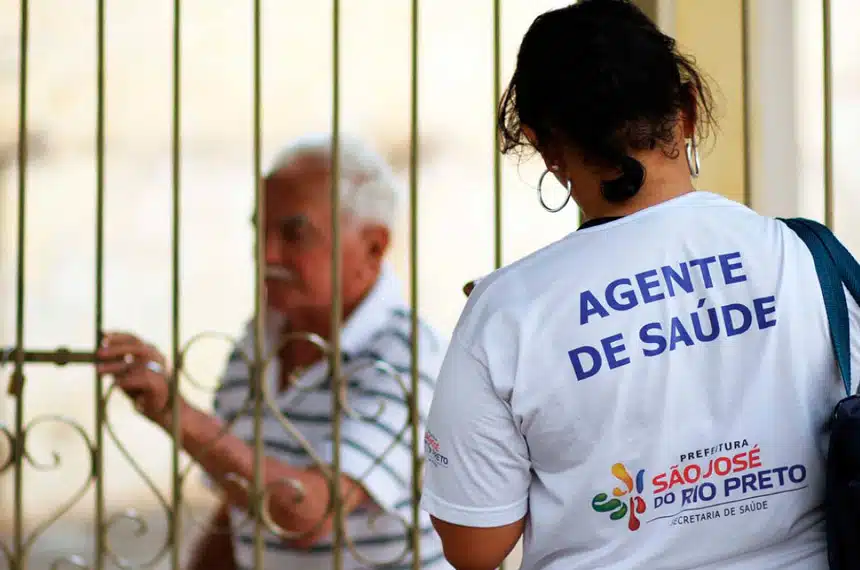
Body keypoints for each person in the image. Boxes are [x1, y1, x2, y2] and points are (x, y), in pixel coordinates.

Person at [420, 1, 857, 569]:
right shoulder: (806, 257)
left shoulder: (508, 312)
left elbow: (475, 546)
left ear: (545, 145)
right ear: (688, 108)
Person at [97, 134, 451, 570]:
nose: (266, 255)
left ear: (374, 247)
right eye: (259, 230)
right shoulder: (260, 341)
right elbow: (240, 501)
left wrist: (176, 412)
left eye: (293, 234)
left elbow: (310, 513)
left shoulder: (407, 355)